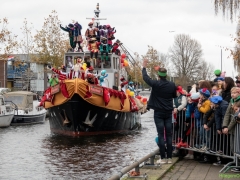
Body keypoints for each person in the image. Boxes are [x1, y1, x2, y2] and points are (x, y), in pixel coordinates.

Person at [142, 59, 176, 164]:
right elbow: (174, 96)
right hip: (168, 112)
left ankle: (163, 157)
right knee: (169, 135)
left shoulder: (156, 84)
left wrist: (144, 67)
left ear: (159, 76)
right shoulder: (172, 85)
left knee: (161, 135)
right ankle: (169, 158)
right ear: (166, 75)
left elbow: (146, 78)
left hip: (158, 113)